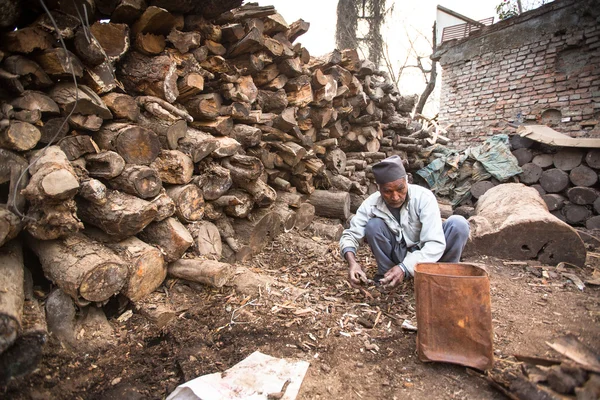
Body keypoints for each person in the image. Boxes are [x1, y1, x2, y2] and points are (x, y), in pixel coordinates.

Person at [339, 155, 470, 288]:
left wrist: (404, 267)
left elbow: (434, 243)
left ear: (407, 181)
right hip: (399, 254)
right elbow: (351, 235)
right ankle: (388, 277)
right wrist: (353, 263)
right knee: (373, 226)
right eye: (388, 191)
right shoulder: (371, 204)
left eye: (400, 189)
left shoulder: (424, 198)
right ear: (379, 188)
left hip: (429, 255)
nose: (395, 197)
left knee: (459, 224)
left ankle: (444, 275)